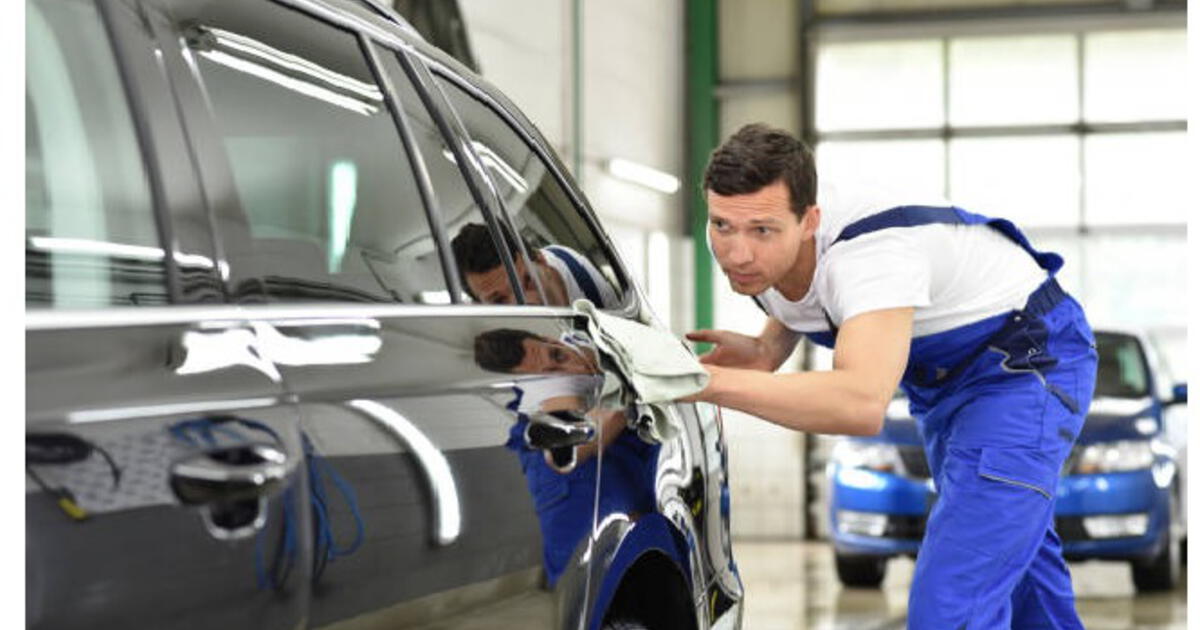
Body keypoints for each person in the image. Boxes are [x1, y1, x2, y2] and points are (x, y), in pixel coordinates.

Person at [685, 123, 1097, 629]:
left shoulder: (873, 252)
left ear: (809, 220)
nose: (737, 253)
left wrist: (704, 384)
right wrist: (769, 347)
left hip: (1024, 363)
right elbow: (806, 288)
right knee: (1017, 562)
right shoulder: (756, 239)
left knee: (951, 603)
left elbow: (859, 403)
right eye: (721, 226)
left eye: (762, 231)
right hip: (946, 384)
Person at [473, 328, 658, 588]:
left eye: (557, 355)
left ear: (551, 338)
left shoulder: (588, 336)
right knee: (592, 581)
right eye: (548, 371)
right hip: (568, 467)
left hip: (617, 454)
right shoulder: (550, 388)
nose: (569, 368)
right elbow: (578, 443)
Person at [450, 222, 619, 308]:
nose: (523, 303)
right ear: (478, 306)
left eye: (528, 280)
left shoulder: (583, 275)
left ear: (540, 260)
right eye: (499, 301)